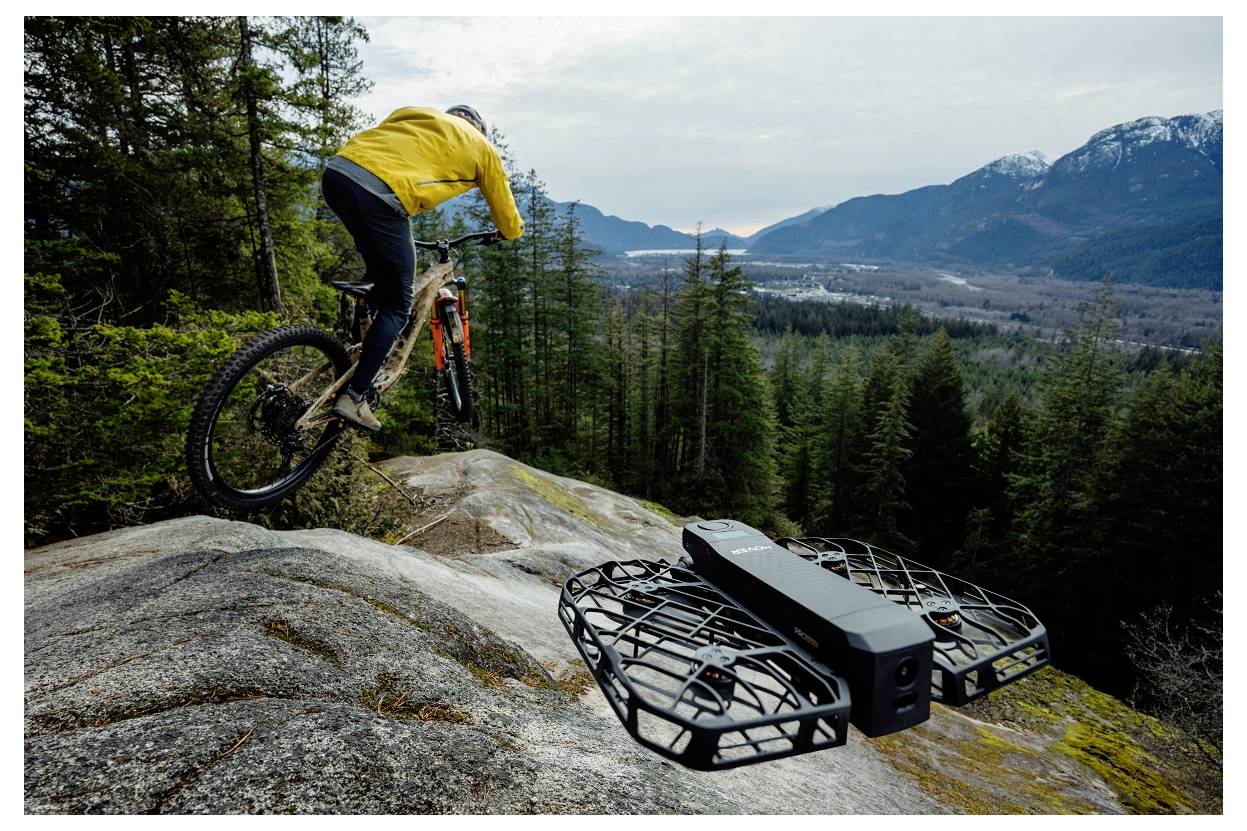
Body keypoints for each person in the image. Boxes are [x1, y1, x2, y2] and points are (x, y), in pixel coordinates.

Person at [320, 105, 524, 431]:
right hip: (381, 194)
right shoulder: (482, 147)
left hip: (338, 175)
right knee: (399, 305)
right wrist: (511, 231)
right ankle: (355, 396)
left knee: (380, 266)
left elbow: (391, 149)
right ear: (478, 129)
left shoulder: (416, 113)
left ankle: (362, 326)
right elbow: (505, 211)